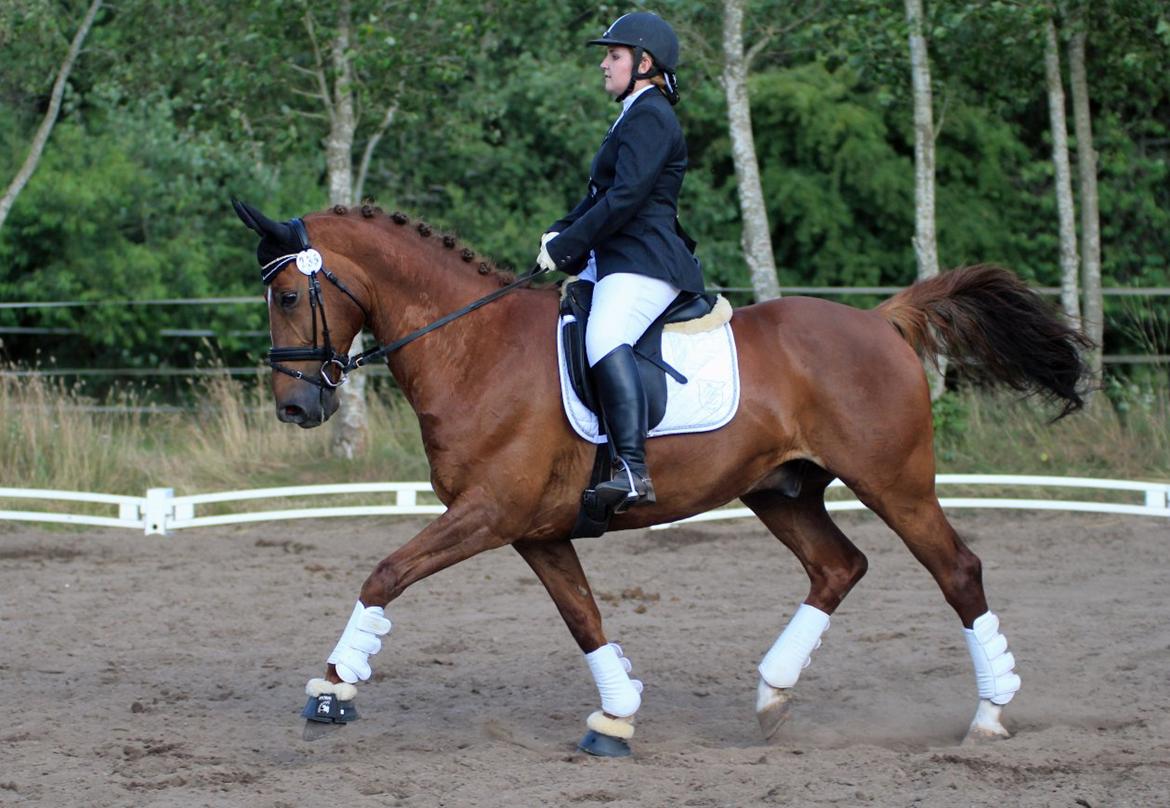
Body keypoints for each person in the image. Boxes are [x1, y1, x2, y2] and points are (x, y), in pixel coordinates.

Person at [536, 11, 705, 512]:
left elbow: (626, 198)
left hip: (645, 259)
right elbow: (601, 195)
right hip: (616, 256)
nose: (604, 66)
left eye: (613, 56)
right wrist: (561, 230)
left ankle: (631, 468)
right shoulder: (632, 113)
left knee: (605, 336)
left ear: (644, 62)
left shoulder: (652, 115)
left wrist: (569, 247)